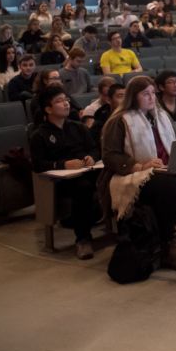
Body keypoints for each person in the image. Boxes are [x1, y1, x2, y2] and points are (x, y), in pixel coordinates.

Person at [97, 76, 176, 269]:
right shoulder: (119, 121)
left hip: (165, 167)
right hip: (133, 174)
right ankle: (167, 246)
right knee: (169, 186)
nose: (151, 97)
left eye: (153, 93)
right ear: (133, 97)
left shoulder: (162, 116)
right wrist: (139, 166)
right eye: (145, 94)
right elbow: (110, 156)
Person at [29, 85, 101, 260]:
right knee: (83, 188)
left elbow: (94, 149)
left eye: (66, 100)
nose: (66, 104)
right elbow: (38, 165)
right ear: (48, 109)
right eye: (59, 101)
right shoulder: (39, 135)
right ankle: (83, 239)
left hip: (87, 171)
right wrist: (63, 164)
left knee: (113, 177)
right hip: (60, 181)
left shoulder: (78, 127)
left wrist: (91, 157)